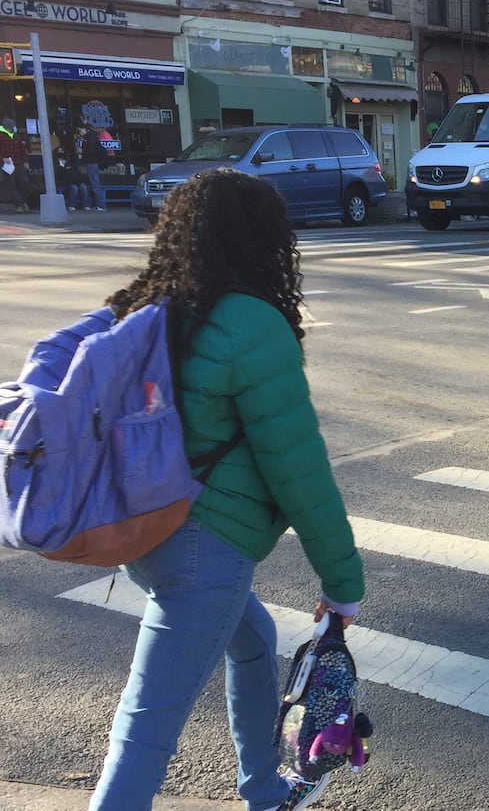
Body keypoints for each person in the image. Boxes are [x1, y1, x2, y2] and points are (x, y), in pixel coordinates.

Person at [88, 169, 365, 811]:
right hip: (204, 550)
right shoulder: (251, 324)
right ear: (264, 240)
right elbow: (298, 470)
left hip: (145, 529)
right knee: (145, 730)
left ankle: (265, 789)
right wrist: (342, 582)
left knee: (254, 641)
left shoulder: (151, 305)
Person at [0, 118, 30, 213]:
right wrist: (3, 158)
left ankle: (23, 201)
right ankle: (19, 204)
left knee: (23, 182)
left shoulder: (15, 136)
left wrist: (25, 160)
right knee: (11, 184)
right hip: (7, 164)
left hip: (18, 162)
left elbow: (21, 149)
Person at [78, 123, 109, 211]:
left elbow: (91, 152)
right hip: (93, 162)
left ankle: (100, 205)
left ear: (85, 129)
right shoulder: (92, 137)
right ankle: (99, 204)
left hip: (91, 163)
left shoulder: (89, 139)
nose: (79, 132)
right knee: (95, 183)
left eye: (80, 130)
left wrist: (83, 155)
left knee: (95, 183)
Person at [52, 139, 85, 213]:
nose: (61, 152)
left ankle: (86, 205)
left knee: (83, 187)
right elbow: (56, 172)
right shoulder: (54, 162)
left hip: (71, 180)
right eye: (59, 151)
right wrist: (63, 169)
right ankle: (71, 205)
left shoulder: (68, 161)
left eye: (62, 151)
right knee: (74, 188)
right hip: (62, 181)